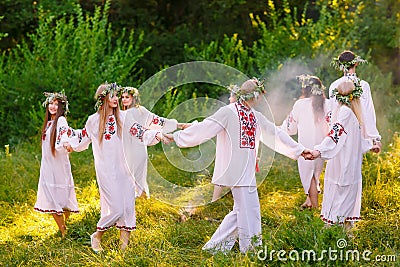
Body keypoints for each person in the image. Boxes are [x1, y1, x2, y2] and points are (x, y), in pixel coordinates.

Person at [165, 78, 311, 254]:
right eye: (260, 95)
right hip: (234, 169)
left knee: (241, 211)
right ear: (254, 96)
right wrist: (177, 136)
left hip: (247, 169)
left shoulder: (255, 115)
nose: (261, 99)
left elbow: (275, 133)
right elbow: (205, 128)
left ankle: (214, 248)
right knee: (250, 209)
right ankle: (251, 250)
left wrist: (299, 150)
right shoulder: (228, 112)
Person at [68, 82, 166, 252]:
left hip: (125, 169)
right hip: (106, 171)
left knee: (127, 207)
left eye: (117, 95)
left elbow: (140, 132)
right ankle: (97, 235)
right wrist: (69, 143)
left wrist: (156, 134)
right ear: (103, 98)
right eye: (112, 95)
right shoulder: (93, 120)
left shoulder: (125, 117)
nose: (116, 98)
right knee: (116, 208)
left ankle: (124, 250)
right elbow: (82, 138)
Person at [311, 79, 377, 231]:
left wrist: (370, 145)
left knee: (346, 198)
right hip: (345, 164)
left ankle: (344, 232)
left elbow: (356, 138)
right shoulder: (346, 113)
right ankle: (333, 233)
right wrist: (319, 150)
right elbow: (335, 134)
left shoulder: (348, 112)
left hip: (349, 162)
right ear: (354, 96)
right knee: (342, 199)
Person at [120, 86, 187, 198]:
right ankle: (144, 200)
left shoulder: (128, 113)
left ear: (134, 98)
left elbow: (143, 128)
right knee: (139, 178)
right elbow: (159, 121)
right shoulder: (141, 110)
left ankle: (136, 202)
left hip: (131, 149)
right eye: (122, 97)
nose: (124, 99)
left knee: (130, 177)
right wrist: (178, 125)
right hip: (140, 148)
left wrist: (158, 134)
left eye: (127, 97)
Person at [34, 91, 79, 238]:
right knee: (51, 197)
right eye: (51, 103)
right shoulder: (47, 123)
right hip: (47, 167)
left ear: (61, 107)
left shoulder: (61, 121)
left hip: (59, 166)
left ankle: (66, 227)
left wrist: (65, 142)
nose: (53, 107)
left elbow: (63, 133)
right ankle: (64, 231)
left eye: (56, 104)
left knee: (63, 198)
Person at [280, 75, 330, 209]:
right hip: (322, 144)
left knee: (309, 176)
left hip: (306, 145)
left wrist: (280, 129)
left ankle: (315, 207)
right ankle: (309, 200)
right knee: (316, 173)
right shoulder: (327, 103)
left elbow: (291, 128)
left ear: (305, 89)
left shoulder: (300, 104)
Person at [329, 50, 382, 153]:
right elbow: (367, 112)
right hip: (357, 133)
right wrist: (375, 139)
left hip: (339, 133)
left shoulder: (334, 85)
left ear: (340, 65)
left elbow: (332, 112)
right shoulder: (363, 85)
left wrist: (331, 138)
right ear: (356, 63)